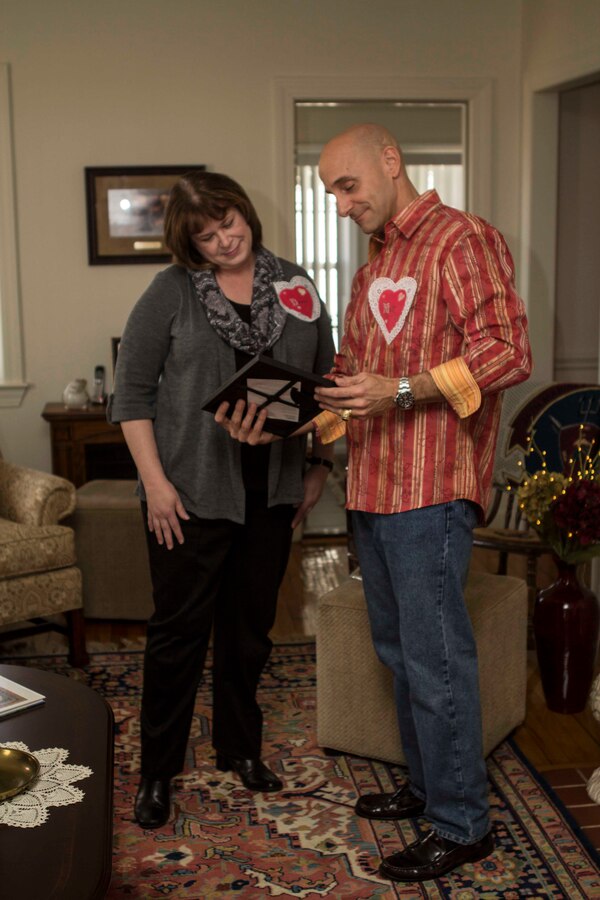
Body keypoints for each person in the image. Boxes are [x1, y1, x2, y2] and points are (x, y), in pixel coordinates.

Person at [311, 124, 532, 883]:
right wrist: (311, 413)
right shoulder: (375, 267)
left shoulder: (461, 240)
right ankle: (430, 786)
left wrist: (398, 390)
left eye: (347, 185)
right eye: (330, 193)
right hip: (371, 485)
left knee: (437, 662)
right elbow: (357, 377)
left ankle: (463, 823)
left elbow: (508, 352)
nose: (341, 205)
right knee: (400, 654)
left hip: (431, 489)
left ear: (391, 161)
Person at [108, 171, 335, 829]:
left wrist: (319, 461)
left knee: (248, 635)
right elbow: (131, 396)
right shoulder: (170, 292)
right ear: (189, 245)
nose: (223, 240)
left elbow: (326, 383)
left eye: (228, 222)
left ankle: (241, 750)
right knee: (177, 636)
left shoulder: (296, 284)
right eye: (205, 236)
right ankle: (158, 770)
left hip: (271, 492)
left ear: (244, 211)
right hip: (187, 494)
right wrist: (154, 484)